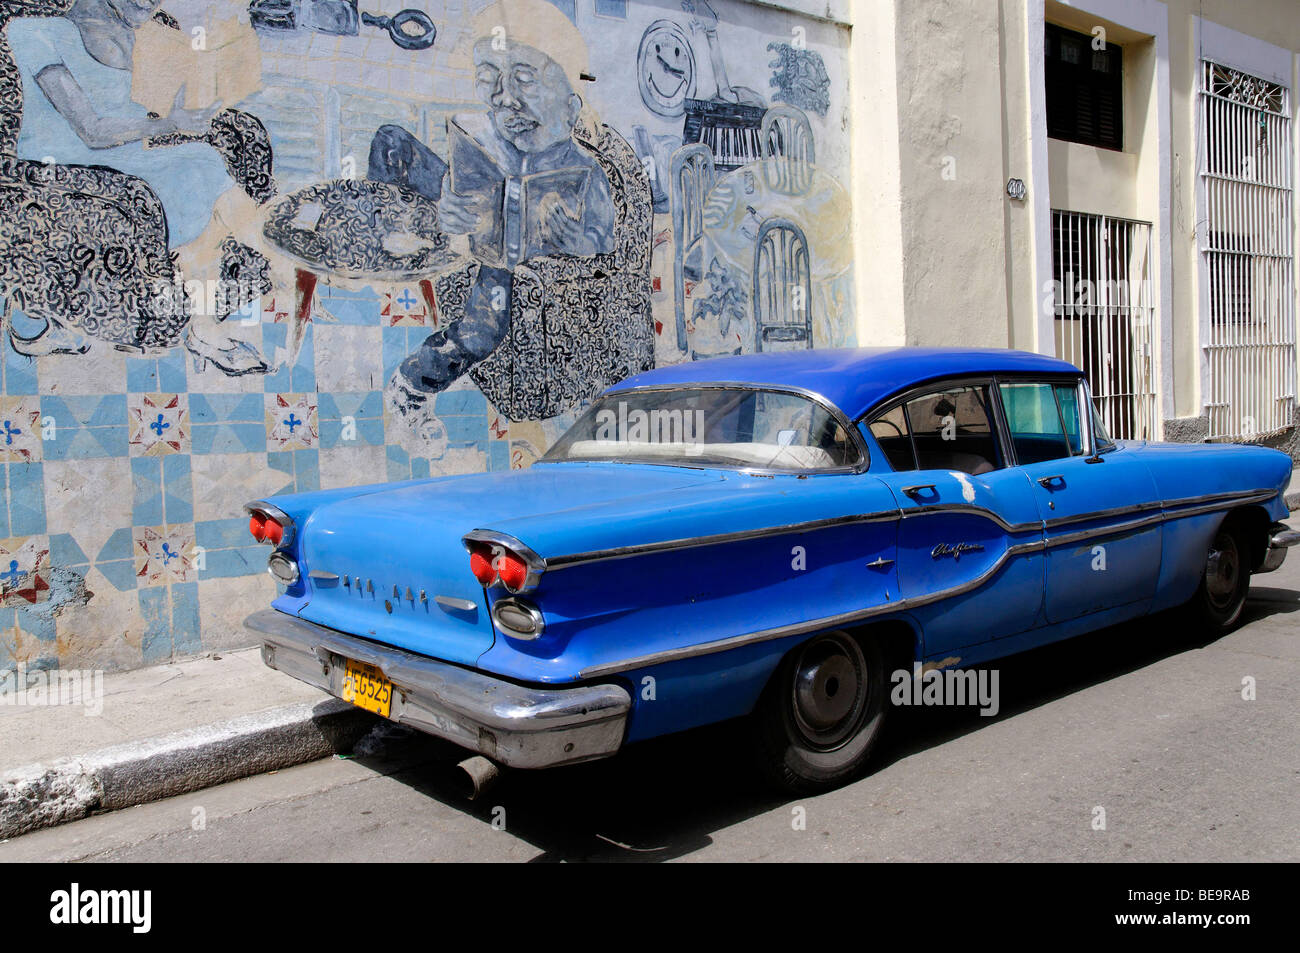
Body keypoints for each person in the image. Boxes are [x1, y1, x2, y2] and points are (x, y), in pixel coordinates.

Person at [367, 0, 614, 411]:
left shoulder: (586, 173)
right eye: (489, 81)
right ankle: (384, 241)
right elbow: (458, 188)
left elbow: (603, 242)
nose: (505, 100)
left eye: (524, 80)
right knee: (392, 140)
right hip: (478, 234)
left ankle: (414, 381)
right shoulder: (485, 138)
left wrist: (579, 241)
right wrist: (448, 209)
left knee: (480, 332)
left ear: (571, 107)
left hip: (505, 261)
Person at [5, 0, 267, 372]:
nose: (149, 2)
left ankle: (218, 311)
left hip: (122, 155)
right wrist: (169, 125)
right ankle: (270, 272)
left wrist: (180, 111)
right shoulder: (34, 32)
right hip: (60, 170)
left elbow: (141, 111)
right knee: (195, 171)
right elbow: (91, 131)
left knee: (205, 162)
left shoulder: (132, 31)